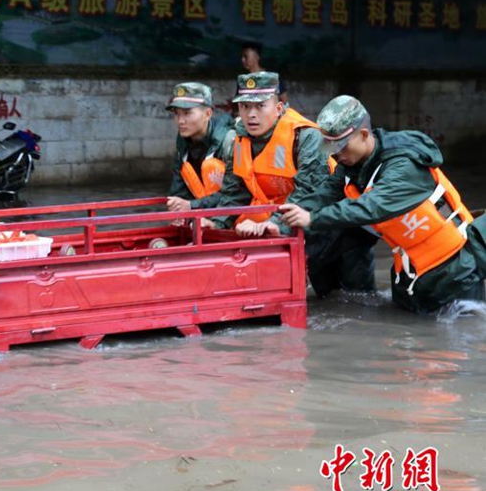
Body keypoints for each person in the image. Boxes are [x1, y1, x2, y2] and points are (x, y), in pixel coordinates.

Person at [279, 95, 486, 313]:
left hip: (456, 271)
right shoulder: (351, 167)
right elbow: (321, 194)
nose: (336, 154)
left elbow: (372, 206)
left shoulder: (403, 166)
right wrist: (278, 222)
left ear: (364, 135)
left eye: (341, 146)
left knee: (459, 338)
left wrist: (312, 219)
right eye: (331, 147)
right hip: (414, 273)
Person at [208, 72, 376, 297]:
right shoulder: (239, 140)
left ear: (278, 108)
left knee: (359, 301)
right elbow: (233, 193)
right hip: (298, 229)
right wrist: (215, 224)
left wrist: (275, 223)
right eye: (245, 107)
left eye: (260, 106)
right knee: (325, 298)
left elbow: (311, 192)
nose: (251, 114)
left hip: (338, 230)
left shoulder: (305, 137)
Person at [165, 82, 235, 214]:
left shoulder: (228, 142)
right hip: (203, 216)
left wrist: (192, 205)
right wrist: (177, 210)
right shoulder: (183, 146)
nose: (180, 121)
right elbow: (178, 193)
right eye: (176, 113)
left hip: (232, 219)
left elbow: (235, 194)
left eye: (187, 113)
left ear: (208, 114)